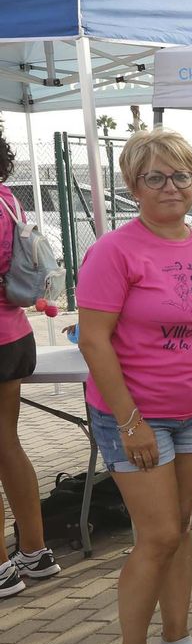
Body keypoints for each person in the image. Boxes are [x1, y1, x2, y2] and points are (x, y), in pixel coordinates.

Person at [76, 129, 192, 644]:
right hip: (134, 414)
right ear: (132, 186)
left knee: (181, 528)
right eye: (155, 178)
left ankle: (176, 637)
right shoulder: (114, 250)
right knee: (158, 533)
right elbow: (94, 341)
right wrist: (130, 420)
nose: (171, 187)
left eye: (182, 175)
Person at [0, 126, 58, 599]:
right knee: (7, 443)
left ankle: (2, 569)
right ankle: (34, 551)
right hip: (16, 332)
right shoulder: (6, 199)